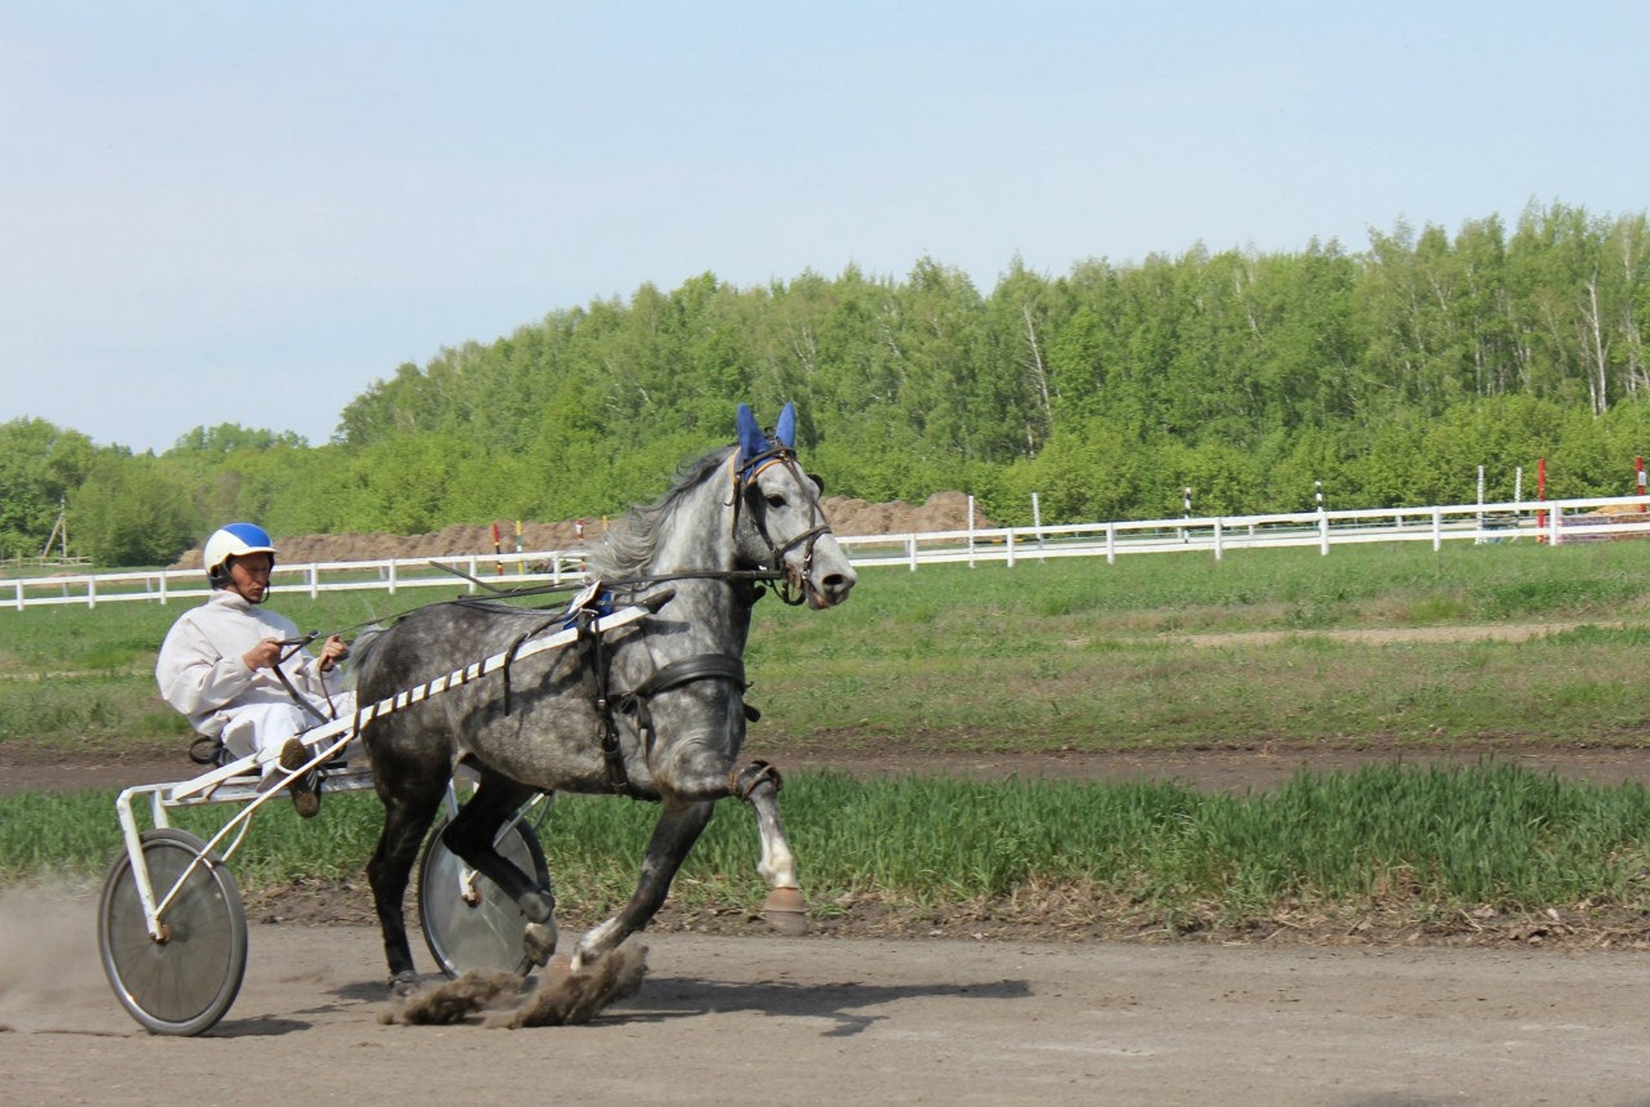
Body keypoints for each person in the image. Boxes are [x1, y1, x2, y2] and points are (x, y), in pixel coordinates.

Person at [155, 522, 356, 817]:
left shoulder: (279, 623)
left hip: (303, 721)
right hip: (244, 728)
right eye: (252, 571)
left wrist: (323, 667)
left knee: (366, 702)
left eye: (265, 570)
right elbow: (186, 694)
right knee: (280, 714)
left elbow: (303, 689)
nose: (261, 580)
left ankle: (409, 756)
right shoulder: (194, 625)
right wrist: (248, 662)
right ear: (220, 570)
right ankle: (295, 776)